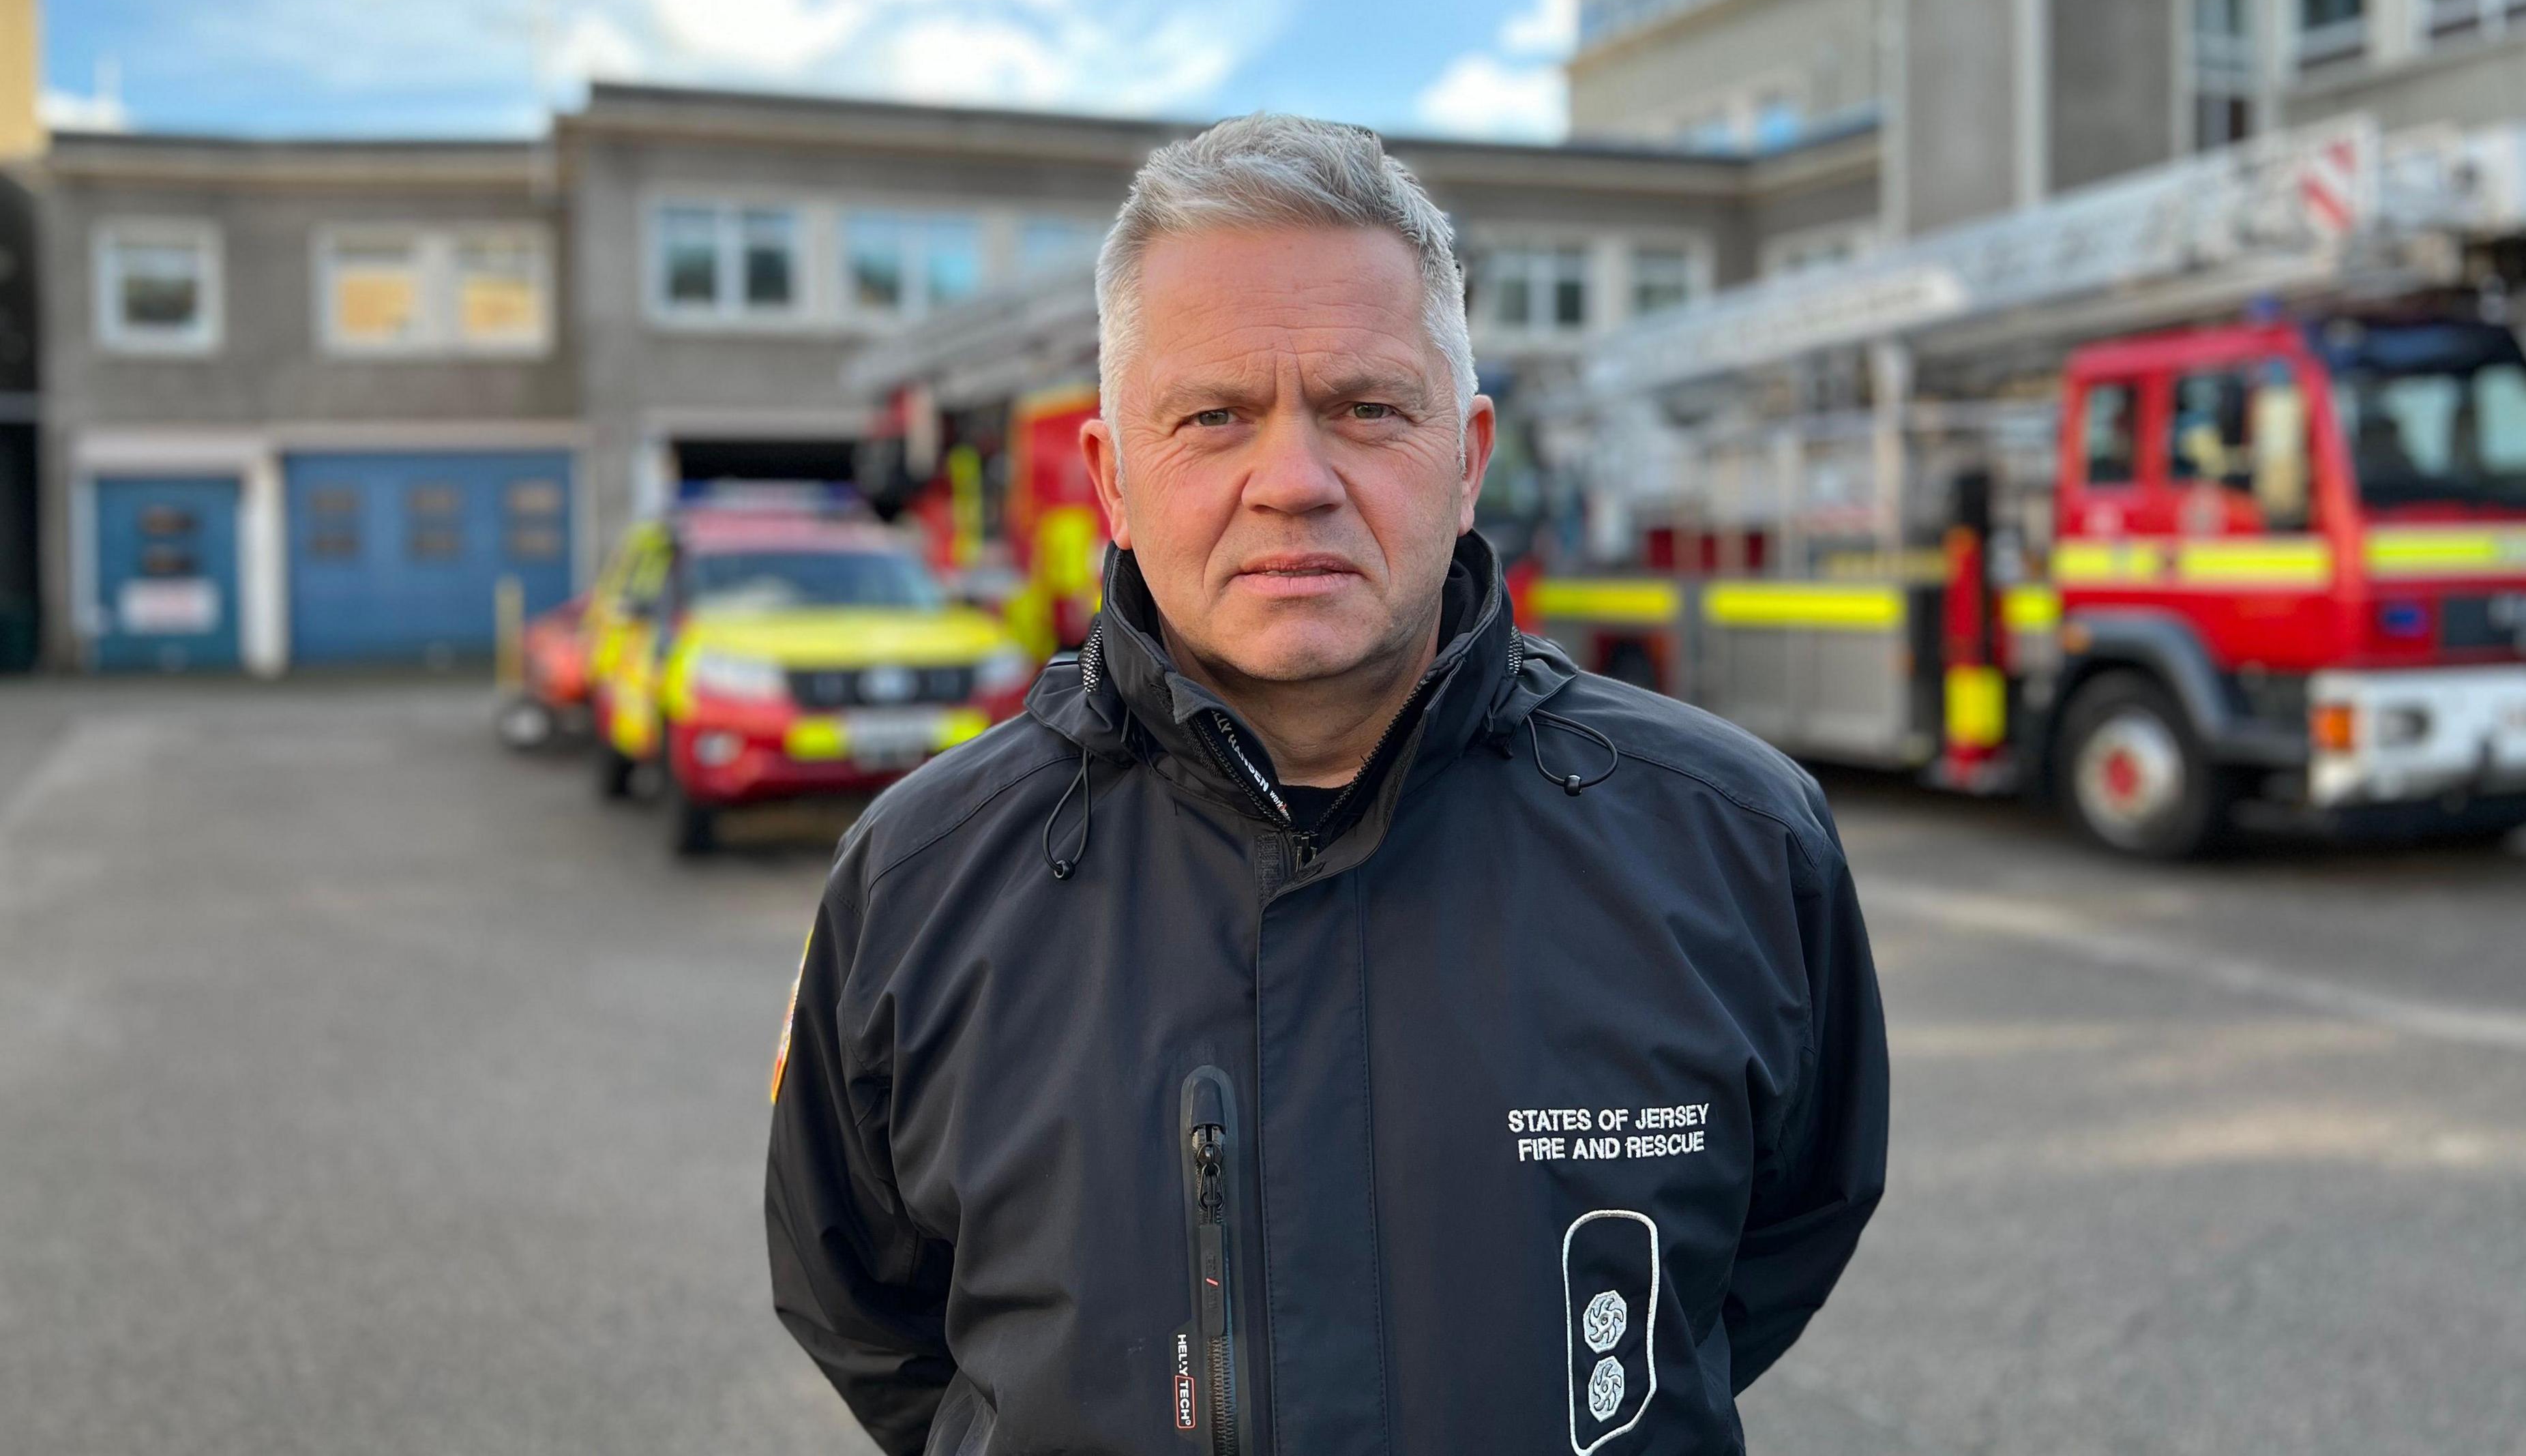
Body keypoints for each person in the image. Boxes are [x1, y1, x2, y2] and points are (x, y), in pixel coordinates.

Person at [765, 113, 1888, 1455]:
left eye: (1365, 409)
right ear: (1115, 481)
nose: (1292, 482)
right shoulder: (921, 877)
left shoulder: (1736, 844)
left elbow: (1768, 1256)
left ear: (1466, 460)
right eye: (1214, 417)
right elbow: (869, 1314)